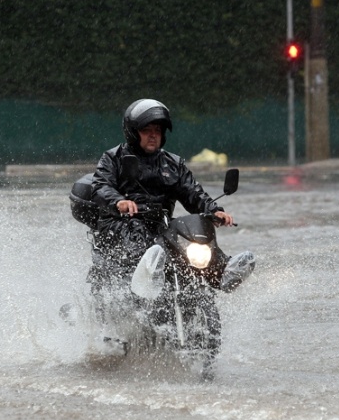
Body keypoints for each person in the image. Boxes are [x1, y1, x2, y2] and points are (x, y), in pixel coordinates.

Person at [90, 98, 253, 292]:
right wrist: (119, 201)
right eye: (147, 130)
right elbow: (101, 186)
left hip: (160, 224)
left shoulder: (173, 163)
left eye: (157, 131)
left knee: (191, 231)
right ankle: (145, 280)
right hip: (121, 223)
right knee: (138, 233)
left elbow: (192, 191)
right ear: (133, 132)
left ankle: (222, 270)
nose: (153, 136)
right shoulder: (113, 158)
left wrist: (214, 210)